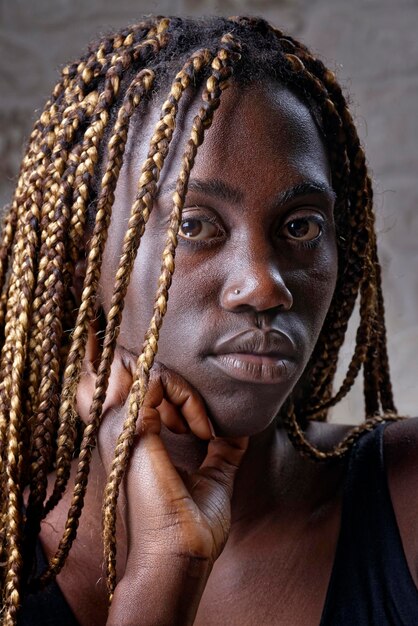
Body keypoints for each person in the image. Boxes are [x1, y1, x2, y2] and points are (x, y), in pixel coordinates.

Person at [0, 14, 417, 626]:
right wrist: (166, 567)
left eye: (301, 227)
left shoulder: (407, 502)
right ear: (83, 255)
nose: (265, 285)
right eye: (194, 226)